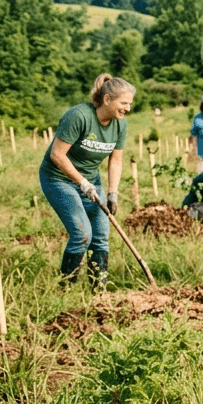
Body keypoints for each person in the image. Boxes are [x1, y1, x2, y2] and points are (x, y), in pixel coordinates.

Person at [39, 73, 134, 289]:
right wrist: (81, 182)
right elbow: (57, 155)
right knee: (82, 234)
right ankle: (65, 289)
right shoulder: (79, 116)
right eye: (124, 103)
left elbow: (116, 160)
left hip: (91, 181)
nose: (128, 108)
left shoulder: (120, 125)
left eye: (130, 104)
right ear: (107, 99)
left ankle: (98, 292)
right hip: (59, 179)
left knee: (100, 236)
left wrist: (112, 193)